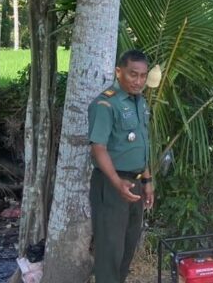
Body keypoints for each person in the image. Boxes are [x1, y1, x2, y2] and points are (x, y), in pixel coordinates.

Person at [88, 49, 154, 283]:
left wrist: (147, 180)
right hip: (112, 185)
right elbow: (98, 148)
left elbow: (141, 143)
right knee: (110, 252)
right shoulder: (105, 104)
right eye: (133, 74)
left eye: (143, 75)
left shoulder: (139, 102)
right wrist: (117, 183)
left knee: (127, 248)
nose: (139, 81)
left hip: (134, 184)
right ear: (119, 72)